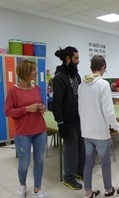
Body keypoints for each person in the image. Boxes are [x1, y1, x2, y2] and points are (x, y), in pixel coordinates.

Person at [4, 59, 53, 198]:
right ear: (25, 72)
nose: (36, 72)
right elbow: (8, 111)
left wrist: (42, 107)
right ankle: (22, 186)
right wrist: (26, 109)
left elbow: (41, 103)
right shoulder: (13, 90)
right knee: (24, 163)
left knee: (39, 161)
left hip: (40, 130)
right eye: (33, 70)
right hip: (23, 133)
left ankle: (37, 190)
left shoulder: (36, 88)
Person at [78, 55, 119, 198]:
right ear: (103, 67)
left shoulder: (81, 85)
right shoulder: (103, 85)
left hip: (86, 132)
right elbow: (109, 113)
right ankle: (109, 190)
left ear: (91, 67)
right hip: (100, 133)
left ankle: (88, 193)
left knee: (88, 163)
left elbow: (81, 109)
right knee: (105, 163)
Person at [51, 46, 85, 190]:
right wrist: (60, 122)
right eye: (76, 58)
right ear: (68, 59)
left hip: (79, 118)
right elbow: (56, 103)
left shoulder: (75, 75)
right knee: (70, 149)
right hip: (68, 120)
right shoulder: (59, 78)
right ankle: (69, 177)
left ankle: (79, 171)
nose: (78, 61)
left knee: (81, 146)